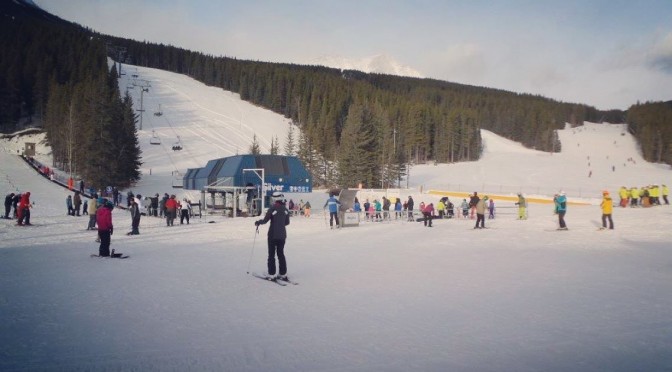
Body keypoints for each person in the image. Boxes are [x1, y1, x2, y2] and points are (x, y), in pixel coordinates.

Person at [255, 192, 290, 281]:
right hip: (282, 235)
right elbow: (287, 222)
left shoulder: (272, 208)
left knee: (271, 255)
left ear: (274, 199)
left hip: (273, 235)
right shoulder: (285, 209)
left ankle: (272, 274)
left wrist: (258, 222)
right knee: (280, 254)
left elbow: (265, 220)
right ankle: (283, 273)